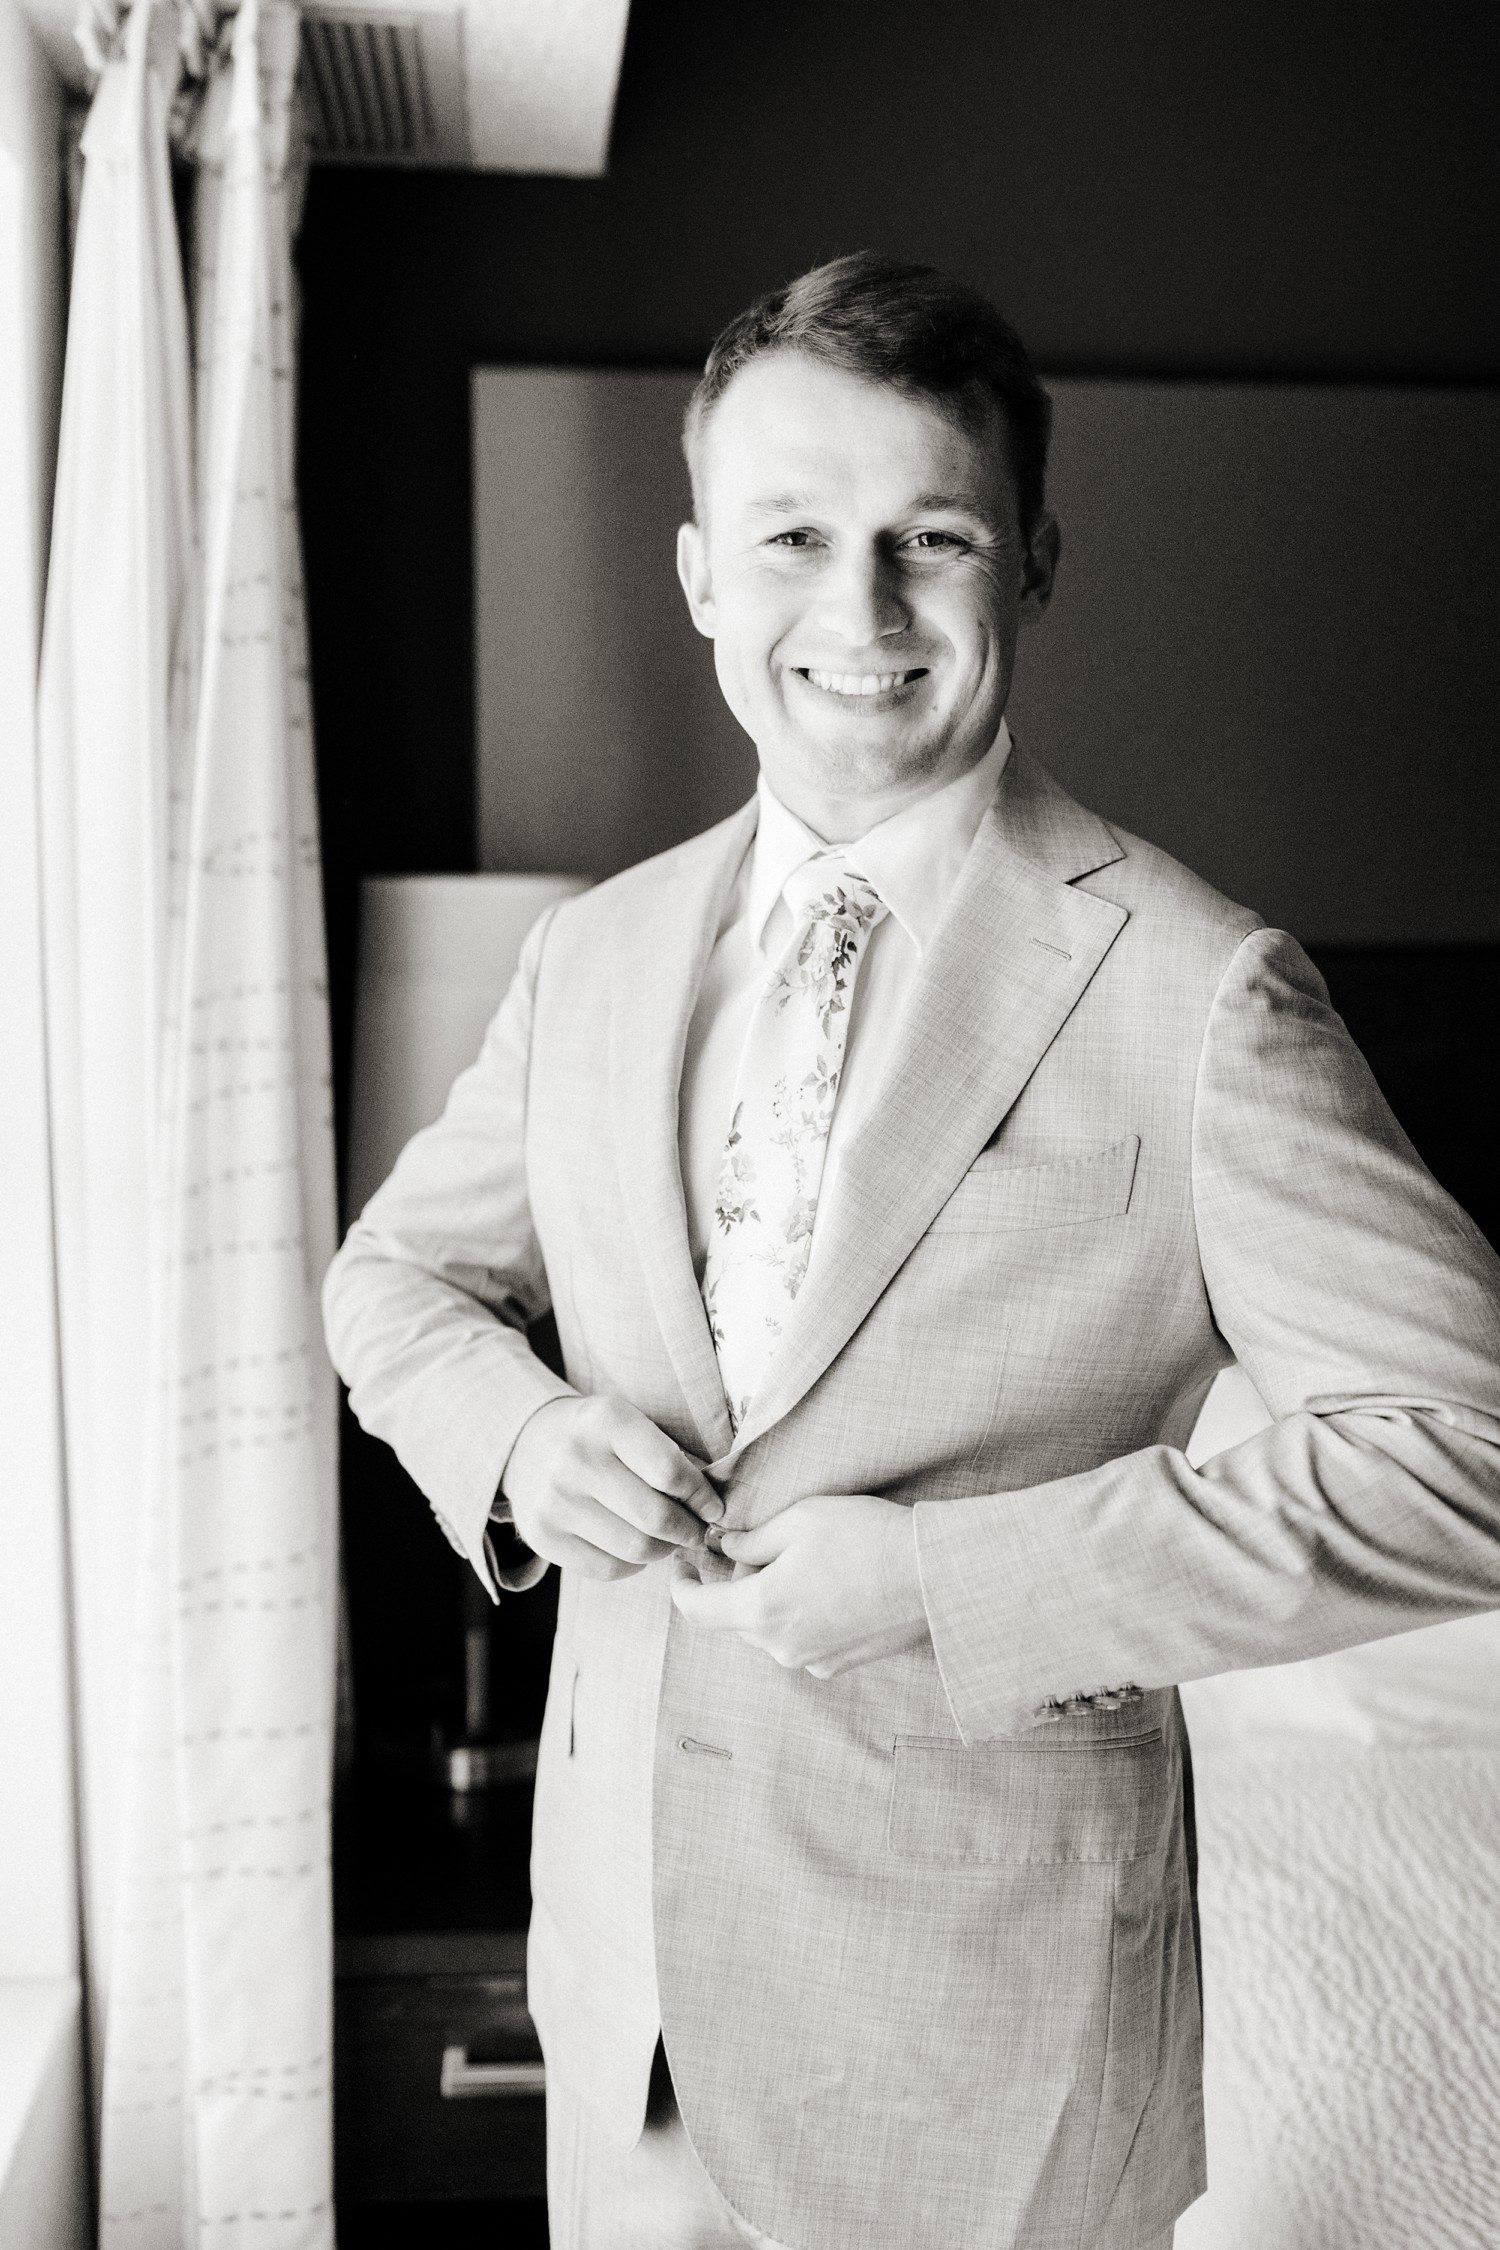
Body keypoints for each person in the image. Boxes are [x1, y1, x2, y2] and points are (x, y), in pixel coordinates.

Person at [321, 252, 1500, 2250]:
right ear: (700, 573)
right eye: (793, 536)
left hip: (1000, 2033)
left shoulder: (1209, 996)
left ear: (1029, 559)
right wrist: (520, 1442)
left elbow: (1467, 1451)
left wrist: (955, 1583)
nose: (856, 614)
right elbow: (389, 1285)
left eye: (928, 538)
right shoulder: (589, 955)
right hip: (629, 1991)